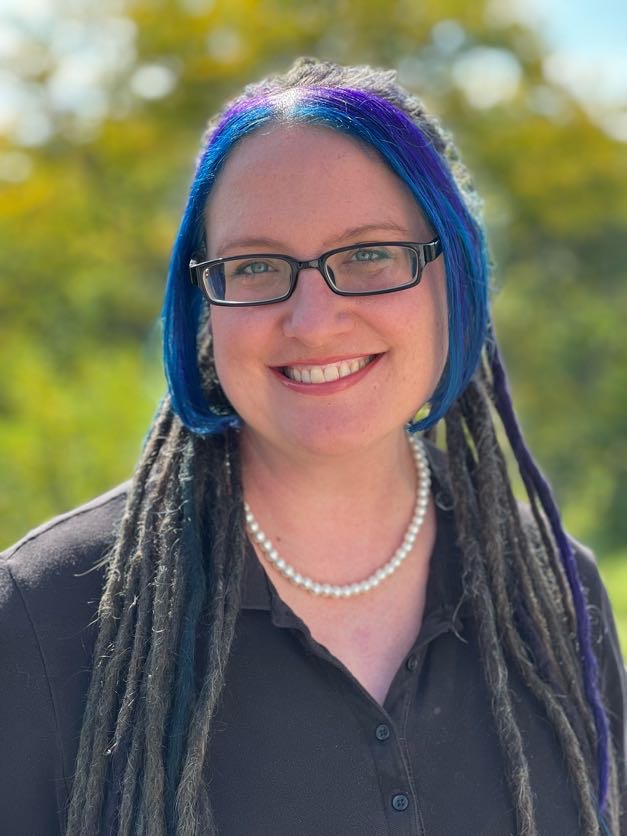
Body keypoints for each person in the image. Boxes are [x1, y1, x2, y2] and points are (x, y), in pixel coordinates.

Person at [1, 57, 625, 836]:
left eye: (367, 255)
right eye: (257, 266)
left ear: (453, 275)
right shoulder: (43, 610)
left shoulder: (556, 596)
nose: (311, 320)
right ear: (204, 303)